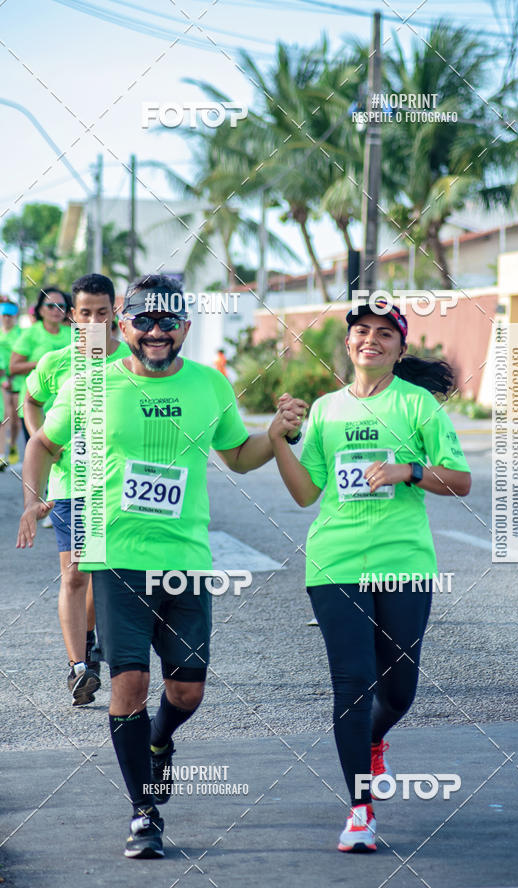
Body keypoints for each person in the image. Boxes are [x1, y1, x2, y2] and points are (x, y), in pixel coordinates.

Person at [16, 273, 305, 859]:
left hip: (186, 560)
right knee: (129, 683)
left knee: (188, 690)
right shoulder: (93, 386)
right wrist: (33, 498)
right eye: (143, 321)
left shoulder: (209, 384)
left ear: (185, 328)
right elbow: (43, 443)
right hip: (116, 555)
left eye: (167, 322)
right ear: (124, 326)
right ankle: (144, 812)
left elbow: (238, 455)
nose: (155, 332)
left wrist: (276, 435)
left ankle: (159, 741)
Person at [268, 298, 471, 853]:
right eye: (362, 331)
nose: (371, 340)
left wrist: (410, 470)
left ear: (400, 349)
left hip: (404, 564)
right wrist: (279, 440)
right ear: (348, 342)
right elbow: (305, 493)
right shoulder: (327, 410)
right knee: (353, 683)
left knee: (399, 691)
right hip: (334, 562)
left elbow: (460, 481)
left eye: (385, 333)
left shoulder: (418, 406)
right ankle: (360, 809)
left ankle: (375, 738)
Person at [23, 274, 130, 705]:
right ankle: (79, 666)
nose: (94, 322)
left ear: (114, 314)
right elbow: (31, 400)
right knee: (75, 575)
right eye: (85, 313)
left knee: (99, 572)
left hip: (117, 485)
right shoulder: (56, 362)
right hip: (71, 484)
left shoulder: (132, 361)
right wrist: (45, 441)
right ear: (72, 316)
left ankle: (89, 643)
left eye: (102, 313)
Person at [9, 288, 71, 445]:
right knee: (38, 453)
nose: (56, 310)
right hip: (35, 406)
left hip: (65, 408)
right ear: (41, 310)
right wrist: (43, 364)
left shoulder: (72, 334)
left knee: (62, 456)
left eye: (61, 306)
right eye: (51, 306)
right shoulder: (31, 333)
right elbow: (13, 367)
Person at [0, 300, 21, 466]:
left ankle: (13, 444)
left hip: (19, 381)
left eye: (10, 315)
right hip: (2, 380)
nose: (6, 318)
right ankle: (1, 456)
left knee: (15, 421)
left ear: (15, 316)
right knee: (4, 417)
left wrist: (13, 374)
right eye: (4, 315)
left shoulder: (21, 334)